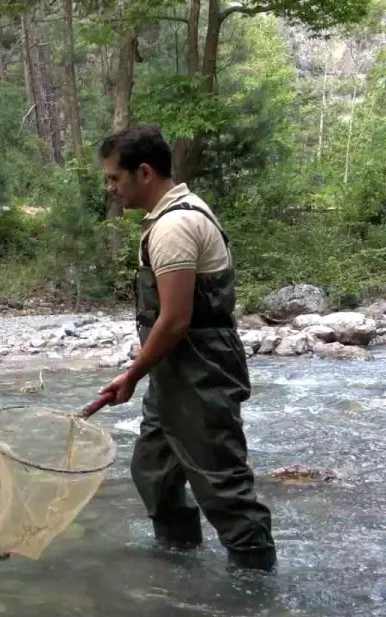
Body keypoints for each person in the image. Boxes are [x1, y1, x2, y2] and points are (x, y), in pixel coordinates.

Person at [97, 125, 277, 573]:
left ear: (143, 172)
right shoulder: (170, 217)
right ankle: (179, 569)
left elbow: (175, 320)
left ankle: (256, 590)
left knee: (222, 486)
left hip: (202, 373)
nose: (111, 188)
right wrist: (147, 375)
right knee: (153, 470)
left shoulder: (175, 225)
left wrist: (131, 375)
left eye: (115, 178)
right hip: (174, 374)